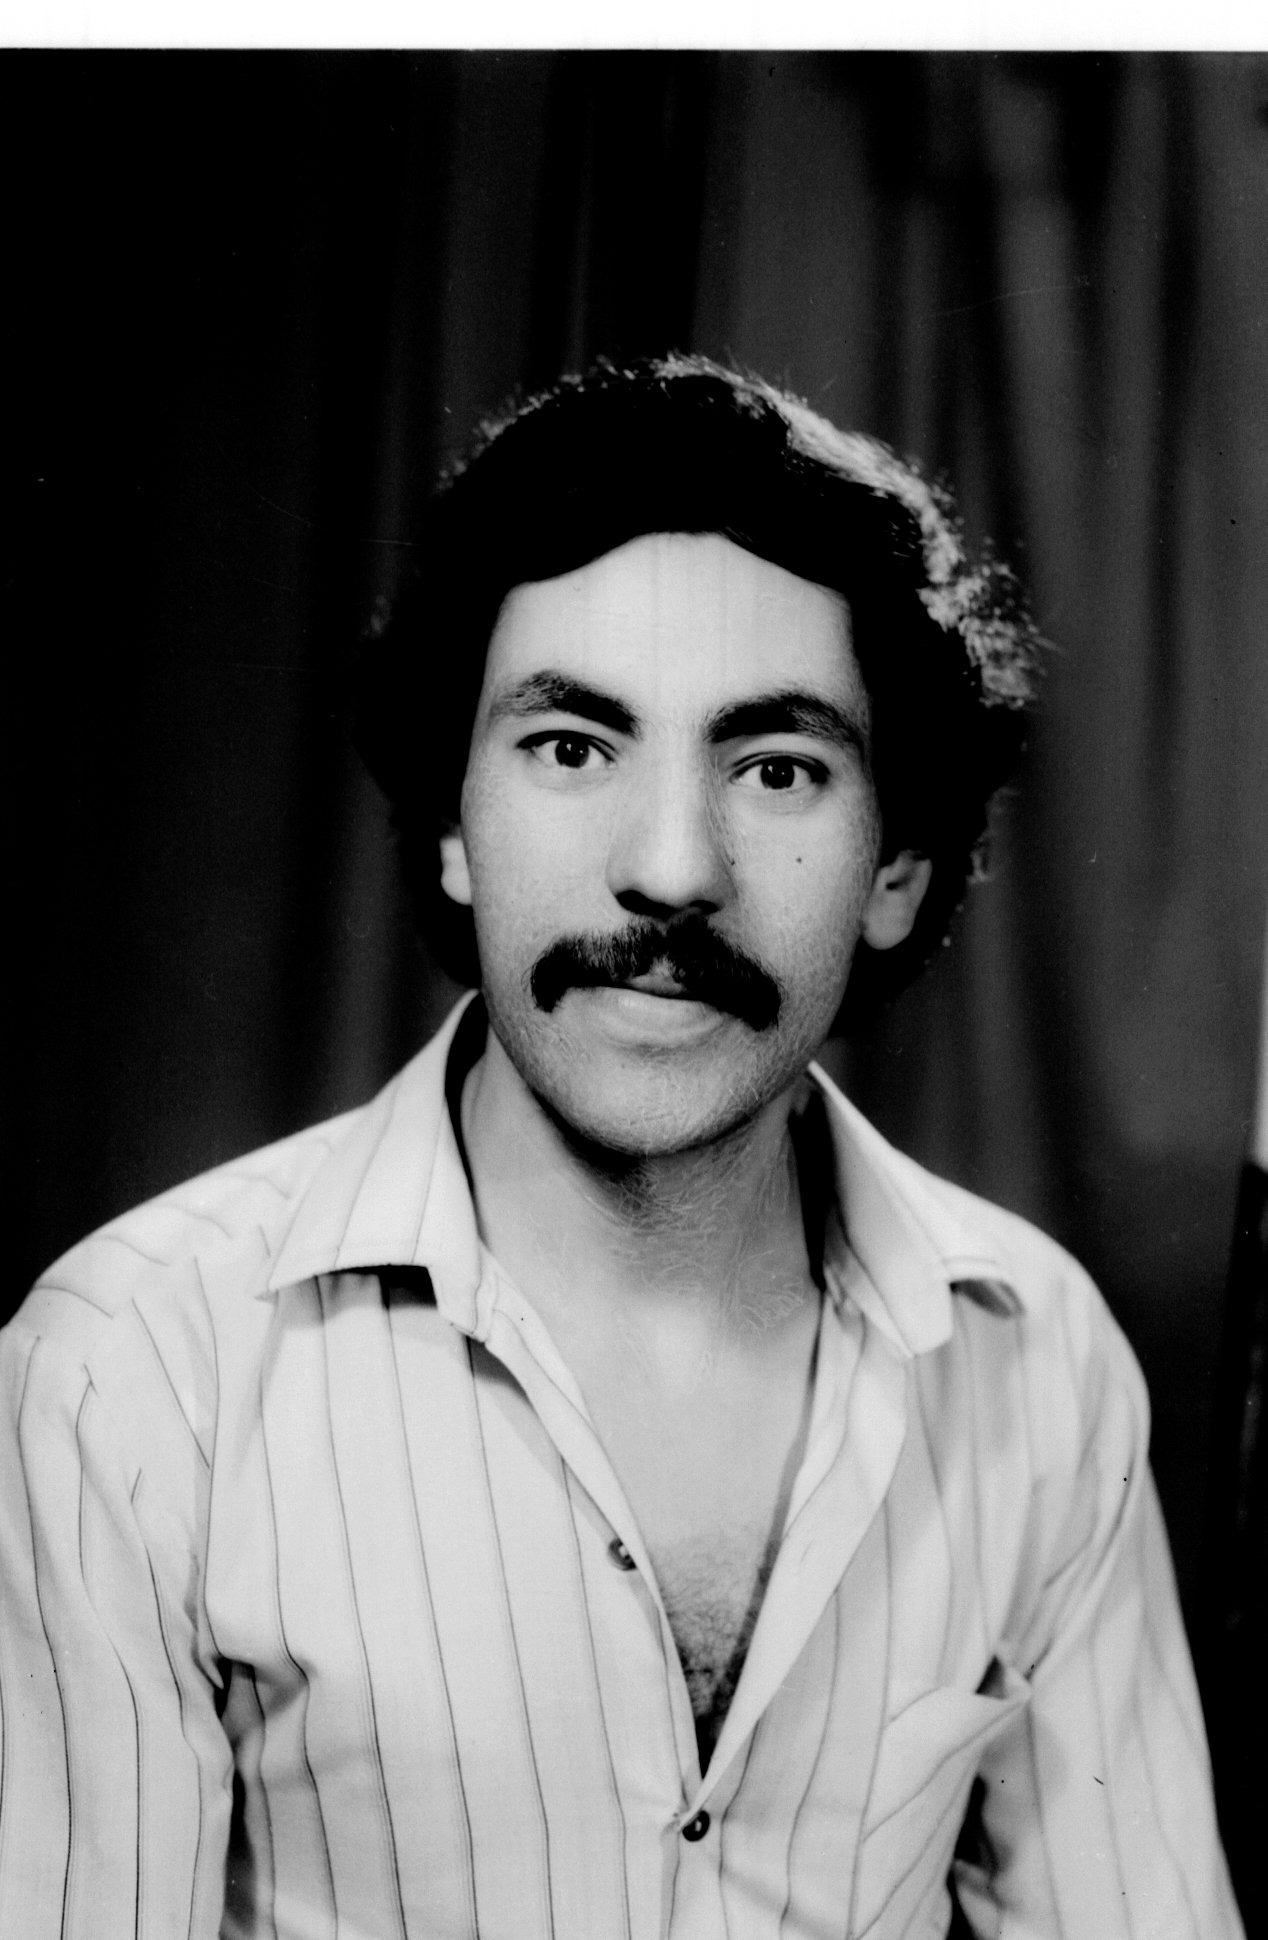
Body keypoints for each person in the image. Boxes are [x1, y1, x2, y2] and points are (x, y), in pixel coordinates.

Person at [0, 355, 1242, 1939]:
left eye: (777, 770)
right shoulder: (130, 1373)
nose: (670, 869)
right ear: (454, 826)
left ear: (899, 871)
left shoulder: (1039, 1359)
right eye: (574, 748)